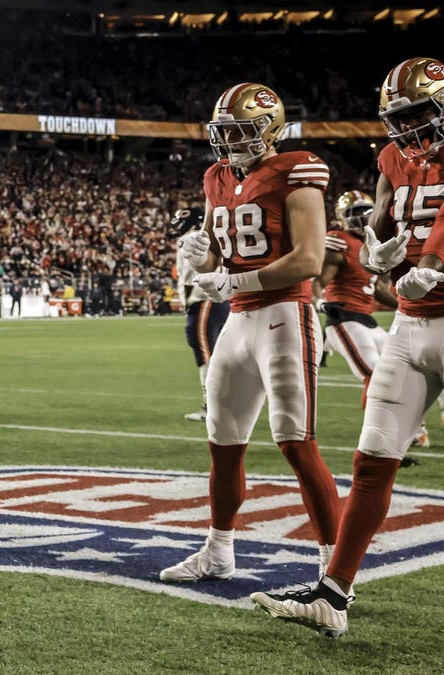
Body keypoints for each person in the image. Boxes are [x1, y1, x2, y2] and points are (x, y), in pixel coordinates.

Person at [251, 57, 444, 637]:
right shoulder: (392, 157)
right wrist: (380, 245)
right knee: (371, 462)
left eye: (418, 115)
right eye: (399, 118)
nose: (408, 130)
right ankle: (332, 597)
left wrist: (431, 262)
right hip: (411, 324)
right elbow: (384, 213)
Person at [160, 83, 341, 583]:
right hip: (237, 321)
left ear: (271, 130)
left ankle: (335, 568)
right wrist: (204, 258)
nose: (232, 141)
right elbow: (222, 258)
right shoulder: (215, 176)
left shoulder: (296, 169)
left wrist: (231, 278)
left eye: (242, 131)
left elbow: (308, 259)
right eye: (225, 131)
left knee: (295, 442)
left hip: (286, 315)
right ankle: (219, 551)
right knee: (222, 442)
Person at [173, 206, 230, 422]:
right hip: (218, 299)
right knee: (213, 355)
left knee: (206, 356)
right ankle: (219, 405)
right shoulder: (208, 236)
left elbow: (188, 278)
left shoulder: (190, 239)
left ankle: (211, 408)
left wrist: (187, 302)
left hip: (204, 300)